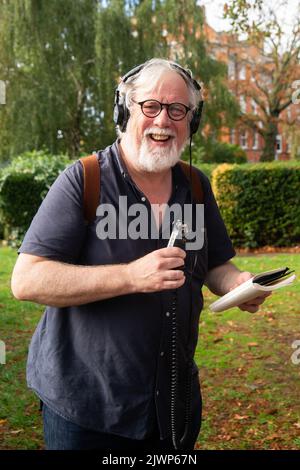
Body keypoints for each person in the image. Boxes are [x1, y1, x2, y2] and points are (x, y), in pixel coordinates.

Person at [11, 58, 269, 451]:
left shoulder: (196, 187)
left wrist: (239, 284)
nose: (163, 120)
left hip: (173, 404)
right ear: (125, 110)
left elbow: (215, 264)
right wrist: (131, 276)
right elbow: (27, 279)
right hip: (87, 409)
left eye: (177, 109)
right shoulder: (85, 179)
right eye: (151, 106)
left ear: (191, 121)